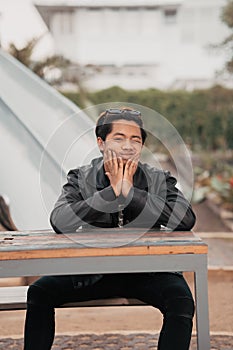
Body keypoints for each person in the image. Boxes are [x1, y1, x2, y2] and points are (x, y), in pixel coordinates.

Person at [24, 107, 196, 350]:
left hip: (148, 271)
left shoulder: (158, 178)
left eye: (135, 139)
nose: (128, 146)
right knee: (40, 291)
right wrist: (111, 192)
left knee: (181, 300)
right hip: (93, 271)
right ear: (101, 143)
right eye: (119, 138)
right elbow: (60, 219)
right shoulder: (81, 177)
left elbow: (186, 218)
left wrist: (130, 193)